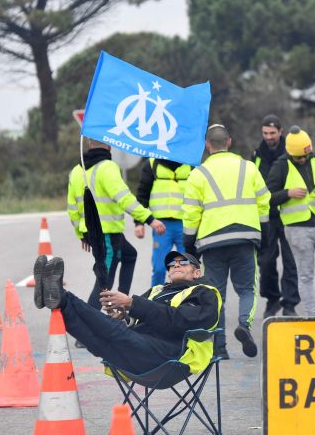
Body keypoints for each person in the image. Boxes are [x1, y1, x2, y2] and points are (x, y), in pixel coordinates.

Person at [32, 251, 220, 375]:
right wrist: (124, 316)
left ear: (196, 273)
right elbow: (139, 316)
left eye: (183, 263)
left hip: (175, 355)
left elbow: (181, 321)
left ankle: (61, 296)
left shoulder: (205, 292)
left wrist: (131, 303)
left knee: (113, 333)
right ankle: (56, 301)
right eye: (172, 264)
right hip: (140, 349)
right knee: (96, 341)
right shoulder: (157, 290)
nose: (176, 265)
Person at [183, 124, 270, 359]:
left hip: (212, 242)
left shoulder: (198, 174)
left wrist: (189, 246)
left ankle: (219, 348)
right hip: (244, 238)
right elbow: (264, 201)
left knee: (216, 294)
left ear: (207, 145)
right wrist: (265, 232)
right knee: (246, 289)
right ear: (229, 142)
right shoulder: (249, 168)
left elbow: (191, 214)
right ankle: (244, 325)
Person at [67, 139, 165, 310]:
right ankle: (87, 331)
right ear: (109, 146)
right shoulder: (107, 167)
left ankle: (121, 308)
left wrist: (82, 233)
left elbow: (72, 208)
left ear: (90, 145)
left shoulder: (76, 170)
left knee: (129, 255)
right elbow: (124, 198)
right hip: (106, 235)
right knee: (104, 282)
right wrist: (149, 219)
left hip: (96, 234)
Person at [266, 126, 315, 316]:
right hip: (297, 230)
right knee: (306, 275)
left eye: (306, 155)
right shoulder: (281, 165)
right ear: (290, 154)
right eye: (299, 157)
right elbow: (267, 197)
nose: (303, 160)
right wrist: (287, 193)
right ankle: (311, 316)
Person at [252, 114, 300, 316]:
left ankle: (289, 304)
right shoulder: (257, 155)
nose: (269, 137)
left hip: (289, 214)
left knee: (291, 262)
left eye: (272, 133)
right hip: (266, 217)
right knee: (266, 262)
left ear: (281, 132)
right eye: (265, 133)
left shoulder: (291, 151)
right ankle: (272, 299)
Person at [135, 157, 193, 286]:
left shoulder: (191, 163)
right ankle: (155, 301)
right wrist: (139, 223)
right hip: (161, 226)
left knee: (189, 269)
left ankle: (189, 300)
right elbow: (142, 194)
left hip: (186, 225)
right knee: (159, 269)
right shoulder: (151, 164)